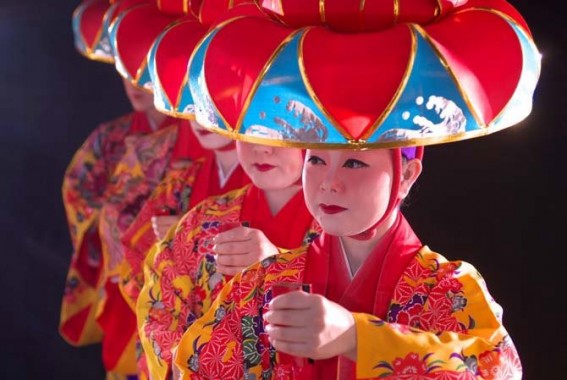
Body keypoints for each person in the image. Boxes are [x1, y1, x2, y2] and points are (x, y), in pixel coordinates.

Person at [165, 0, 541, 378]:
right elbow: (195, 366)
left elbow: (499, 369)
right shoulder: (265, 282)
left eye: (355, 162)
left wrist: (357, 338)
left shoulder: (444, 288)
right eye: (315, 160)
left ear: (407, 174)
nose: (329, 183)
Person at [136, 138, 322, 379]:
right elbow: (160, 303)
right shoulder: (202, 219)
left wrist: (277, 265)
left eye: (280, 133)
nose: (261, 148)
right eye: (249, 131)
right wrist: (183, 366)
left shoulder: (338, 228)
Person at [60, 0, 182, 348]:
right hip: (118, 276)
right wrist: (111, 220)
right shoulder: (110, 137)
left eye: (145, 70)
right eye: (125, 68)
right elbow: (77, 189)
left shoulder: (195, 138)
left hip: (169, 277)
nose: (133, 81)